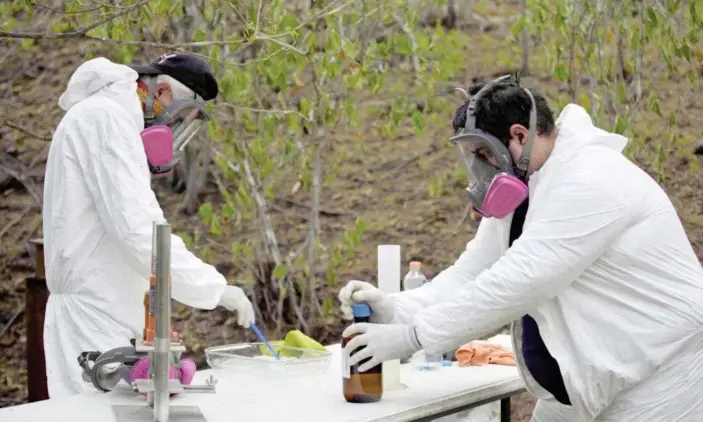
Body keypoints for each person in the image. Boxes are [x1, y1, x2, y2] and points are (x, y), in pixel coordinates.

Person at [339, 74, 703, 421]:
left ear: (518, 135)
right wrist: (397, 311)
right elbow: (472, 273)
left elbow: (518, 282)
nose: (479, 168)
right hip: (582, 392)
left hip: (665, 382)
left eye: (483, 153)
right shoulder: (524, 185)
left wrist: (412, 338)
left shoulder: (593, 179)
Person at [42, 54, 255, 398]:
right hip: (95, 319)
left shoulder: (113, 120)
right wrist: (214, 289)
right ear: (165, 92)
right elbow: (140, 230)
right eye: (179, 118)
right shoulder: (104, 120)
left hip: (110, 308)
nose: (173, 129)